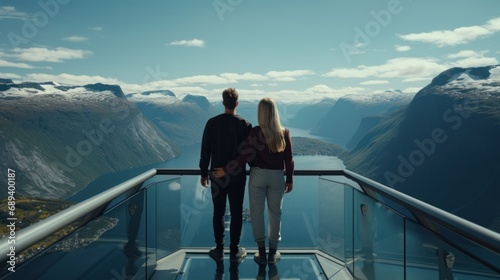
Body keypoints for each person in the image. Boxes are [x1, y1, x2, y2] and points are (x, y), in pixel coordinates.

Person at [213, 97, 294, 266]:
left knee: (256, 214)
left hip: (258, 176)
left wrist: (226, 170)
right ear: (274, 113)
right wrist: (290, 180)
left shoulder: (256, 132)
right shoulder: (284, 132)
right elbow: (289, 159)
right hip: (278, 177)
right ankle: (272, 254)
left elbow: (243, 157)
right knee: (275, 214)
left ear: (261, 113)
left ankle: (262, 254)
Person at [199, 88, 252, 263]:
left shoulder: (212, 123)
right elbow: (248, 154)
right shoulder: (245, 124)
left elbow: (205, 150)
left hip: (216, 175)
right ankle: (235, 250)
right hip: (237, 177)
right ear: (237, 103)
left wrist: (203, 173)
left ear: (223, 103)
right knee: (236, 213)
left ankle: (220, 249)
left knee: (218, 212)